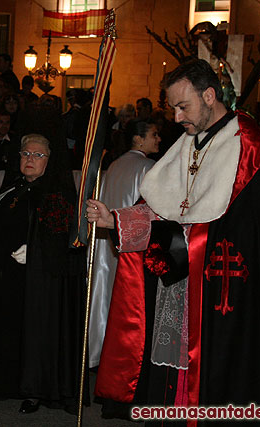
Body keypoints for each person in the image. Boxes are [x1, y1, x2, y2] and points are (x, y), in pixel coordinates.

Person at [85, 59, 260, 423]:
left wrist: (193, 241)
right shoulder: (188, 143)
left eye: (184, 106)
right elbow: (160, 209)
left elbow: (253, 237)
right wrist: (114, 220)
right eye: (173, 108)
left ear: (209, 95)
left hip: (224, 292)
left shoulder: (250, 149)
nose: (177, 118)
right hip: (181, 283)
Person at [0, 133, 86, 414]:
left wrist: (34, 251)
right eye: (25, 154)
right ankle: (1, 386)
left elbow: (65, 238)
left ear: (49, 161)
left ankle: (34, 391)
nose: (30, 159)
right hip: (6, 277)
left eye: (37, 155)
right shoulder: (14, 190)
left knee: (32, 335)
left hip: (38, 281)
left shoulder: (57, 194)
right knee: (4, 332)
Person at [88, 119, 159, 368]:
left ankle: (100, 351)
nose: (158, 139)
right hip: (132, 241)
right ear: (138, 139)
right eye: (154, 134)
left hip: (109, 239)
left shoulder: (116, 165)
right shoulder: (148, 167)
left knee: (106, 292)